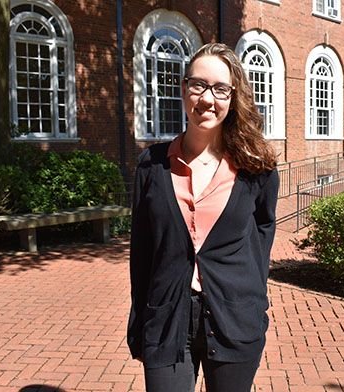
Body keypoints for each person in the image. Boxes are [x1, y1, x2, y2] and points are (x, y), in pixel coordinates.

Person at [127, 42, 279, 392]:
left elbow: (261, 241)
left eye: (220, 89)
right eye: (198, 85)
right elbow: (143, 251)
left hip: (235, 318)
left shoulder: (257, 169)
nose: (207, 99)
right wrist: (139, 320)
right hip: (167, 317)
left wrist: (252, 301)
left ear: (233, 95)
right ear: (184, 88)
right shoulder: (152, 165)